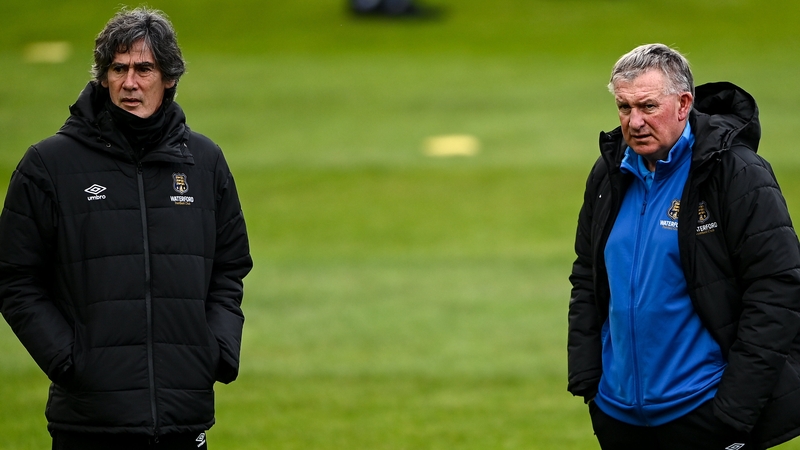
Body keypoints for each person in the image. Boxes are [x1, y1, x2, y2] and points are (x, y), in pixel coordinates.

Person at [0, 7, 252, 449]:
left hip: (182, 418)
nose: (129, 83)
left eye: (144, 69)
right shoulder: (49, 165)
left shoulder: (205, 163)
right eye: (118, 69)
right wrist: (69, 361)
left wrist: (215, 351)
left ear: (170, 77)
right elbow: (14, 277)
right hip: (89, 422)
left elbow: (229, 267)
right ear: (103, 77)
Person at [568, 43, 800, 449]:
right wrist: (590, 381)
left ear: (683, 103)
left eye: (647, 106)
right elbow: (587, 278)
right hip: (618, 415)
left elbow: (777, 289)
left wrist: (735, 409)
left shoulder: (737, 173)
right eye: (624, 107)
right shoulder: (608, 175)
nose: (634, 121)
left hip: (705, 410)